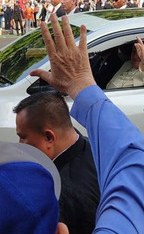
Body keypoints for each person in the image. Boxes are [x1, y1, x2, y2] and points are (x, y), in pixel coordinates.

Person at [0, 14, 144, 234]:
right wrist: (81, 85)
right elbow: (131, 160)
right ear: (60, 230)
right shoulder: (91, 153)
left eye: (22, 137)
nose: (18, 144)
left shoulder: (69, 191)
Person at [14, 91, 100, 234]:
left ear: (49, 137)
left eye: (23, 137)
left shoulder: (55, 195)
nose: (19, 144)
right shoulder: (98, 151)